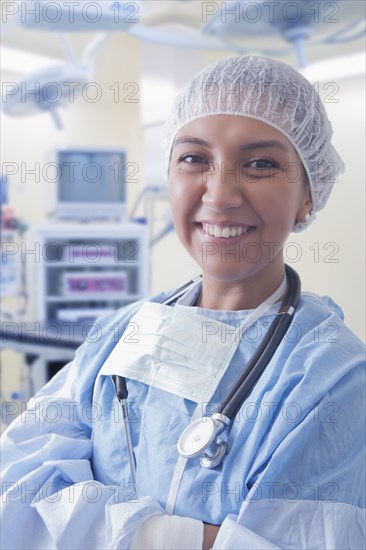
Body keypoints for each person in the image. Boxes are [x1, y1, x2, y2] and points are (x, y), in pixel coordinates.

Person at [1, 56, 365, 550]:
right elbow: (14, 490)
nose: (220, 195)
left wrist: (88, 518)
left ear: (308, 194)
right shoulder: (124, 331)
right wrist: (183, 536)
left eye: (261, 164)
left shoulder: (330, 375)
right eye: (194, 159)